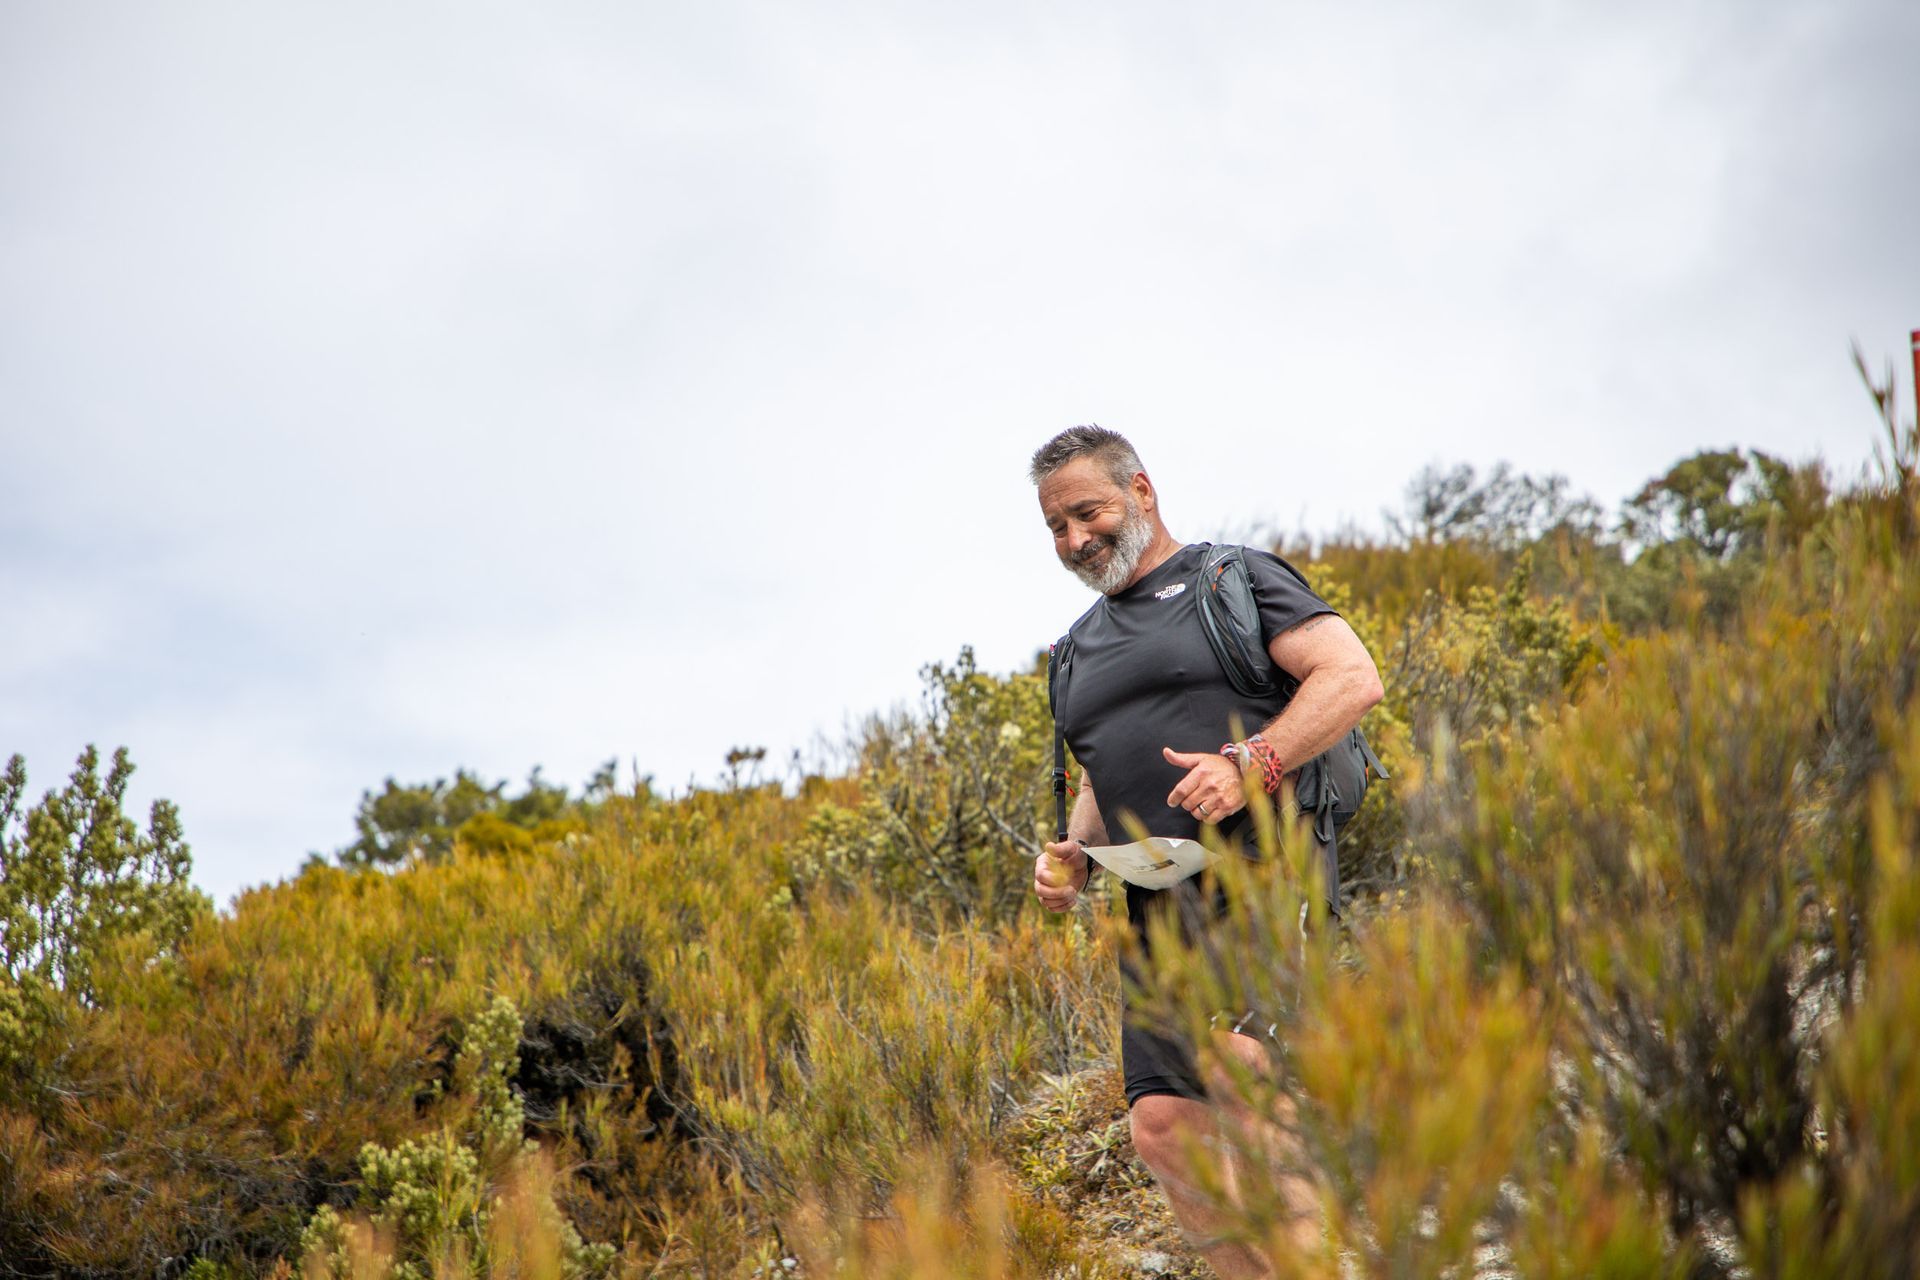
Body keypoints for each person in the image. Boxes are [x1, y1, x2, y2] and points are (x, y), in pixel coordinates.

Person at [1029, 425, 1384, 1279]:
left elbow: (1350, 676)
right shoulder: (1076, 649)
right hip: (1157, 905)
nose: (1076, 541)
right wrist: (1074, 859)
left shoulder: (1231, 578)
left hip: (1269, 868)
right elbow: (1099, 776)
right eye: (1056, 527)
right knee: (1163, 1130)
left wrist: (1250, 764)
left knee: (1244, 1072)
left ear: (1141, 492)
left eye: (1089, 513)